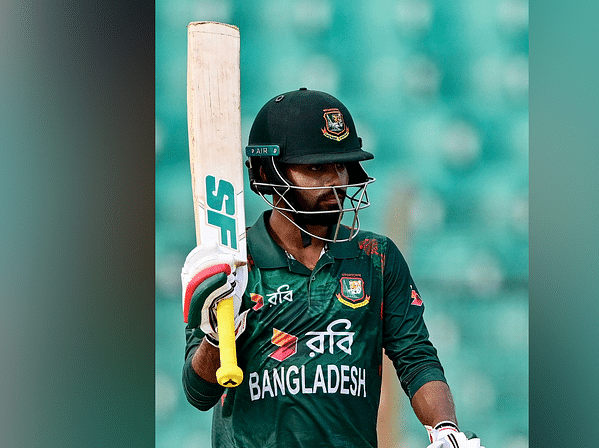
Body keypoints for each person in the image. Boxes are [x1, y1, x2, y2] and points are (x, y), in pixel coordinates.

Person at [181, 88, 484, 448]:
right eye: (315, 168)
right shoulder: (231, 266)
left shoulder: (376, 256)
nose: (335, 182)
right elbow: (198, 394)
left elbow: (415, 357)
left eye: (340, 165)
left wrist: (444, 429)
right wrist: (218, 335)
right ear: (266, 173)